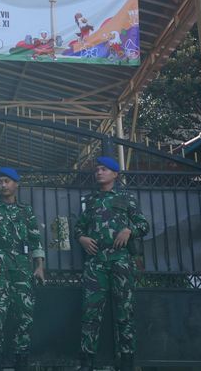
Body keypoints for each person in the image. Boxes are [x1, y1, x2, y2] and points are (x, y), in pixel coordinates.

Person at [74, 156, 148, 371]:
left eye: (104, 169)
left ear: (115, 174)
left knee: (125, 313)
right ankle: (87, 362)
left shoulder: (127, 199)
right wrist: (82, 238)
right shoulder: (90, 201)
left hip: (121, 262)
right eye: (97, 169)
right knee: (90, 314)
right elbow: (78, 227)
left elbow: (144, 225)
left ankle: (127, 361)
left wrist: (129, 230)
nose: (99, 172)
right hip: (95, 264)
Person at [0, 167, 45, 371]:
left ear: (16, 184)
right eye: (0, 181)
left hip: (22, 268)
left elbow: (35, 239)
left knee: (25, 316)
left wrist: (39, 267)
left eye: (7, 181)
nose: (3, 185)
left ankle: (21, 360)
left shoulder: (26, 210)